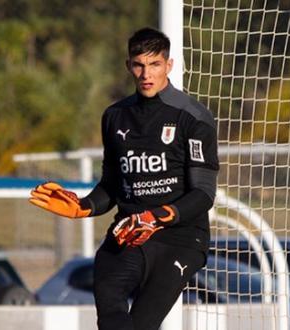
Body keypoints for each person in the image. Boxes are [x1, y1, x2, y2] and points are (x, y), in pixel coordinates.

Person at [29, 27, 219, 330]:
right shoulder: (115, 116)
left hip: (180, 239)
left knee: (143, 323)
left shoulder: (193, 117)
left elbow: (204, 194)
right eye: (139, 64)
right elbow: (113, 185)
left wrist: (156, 217)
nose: (146, 73)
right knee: (109, 304)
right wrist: (84, 206)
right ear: (129, 65)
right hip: (127, 232)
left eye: (155, 64)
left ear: (168, 65)